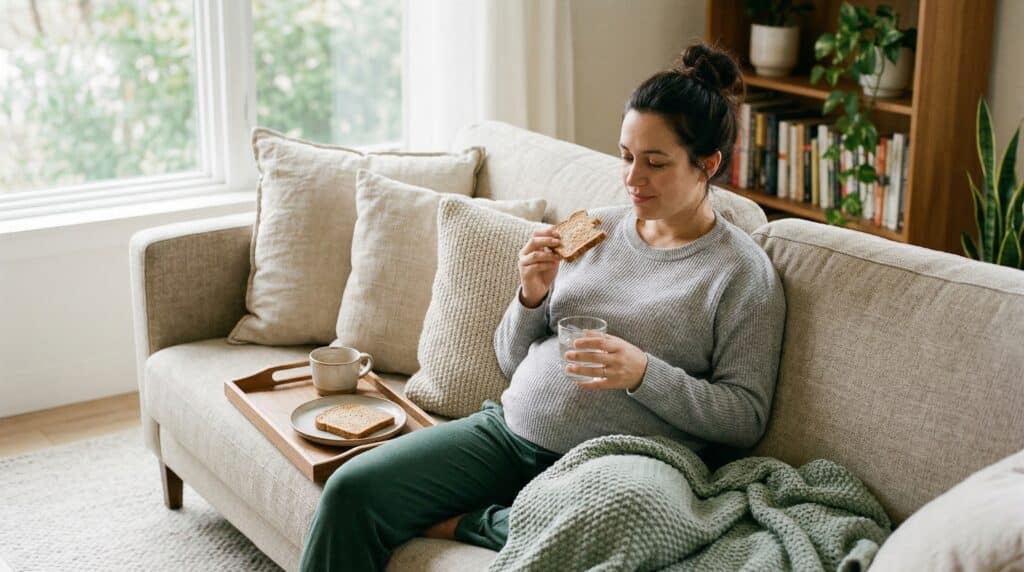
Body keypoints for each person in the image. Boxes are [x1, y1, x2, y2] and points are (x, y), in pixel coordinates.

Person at [298, 41, 786, 572]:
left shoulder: (741, 273)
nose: (631, 178)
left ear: (707, 165)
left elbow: (746, 417)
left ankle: (479, 522)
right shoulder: (591, 227)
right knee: (351, 489)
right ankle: (508, 514)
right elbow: (510, 360)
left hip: (615, 465)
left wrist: (643, 373)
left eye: (655, 162)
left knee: (622, 521)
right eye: (625, 156)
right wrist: (530, 292)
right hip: (510, 432)